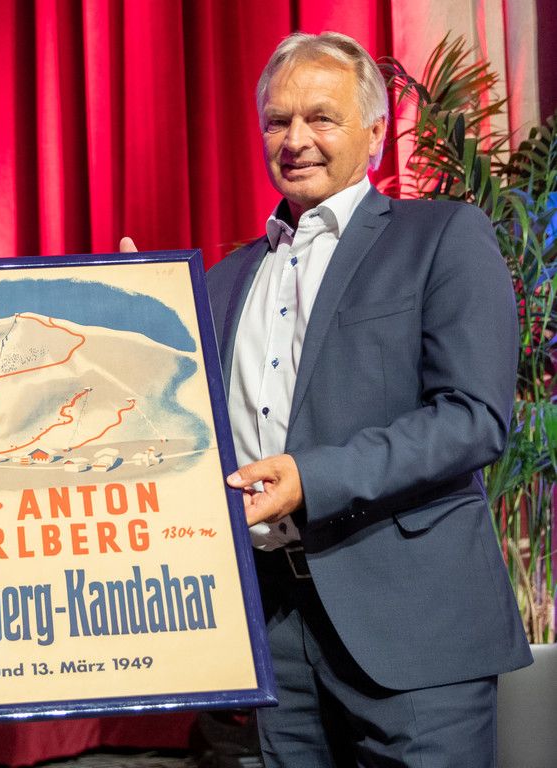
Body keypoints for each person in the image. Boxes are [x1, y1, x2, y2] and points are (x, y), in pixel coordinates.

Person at [202, 32, 530, 766]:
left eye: (321, 117)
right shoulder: (223, 282)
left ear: (376, 133)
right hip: (275, 630)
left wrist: (309, 478)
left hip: (415, 628)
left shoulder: (440, 237)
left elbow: (473, 419)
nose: (295, 140)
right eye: (277, 121)